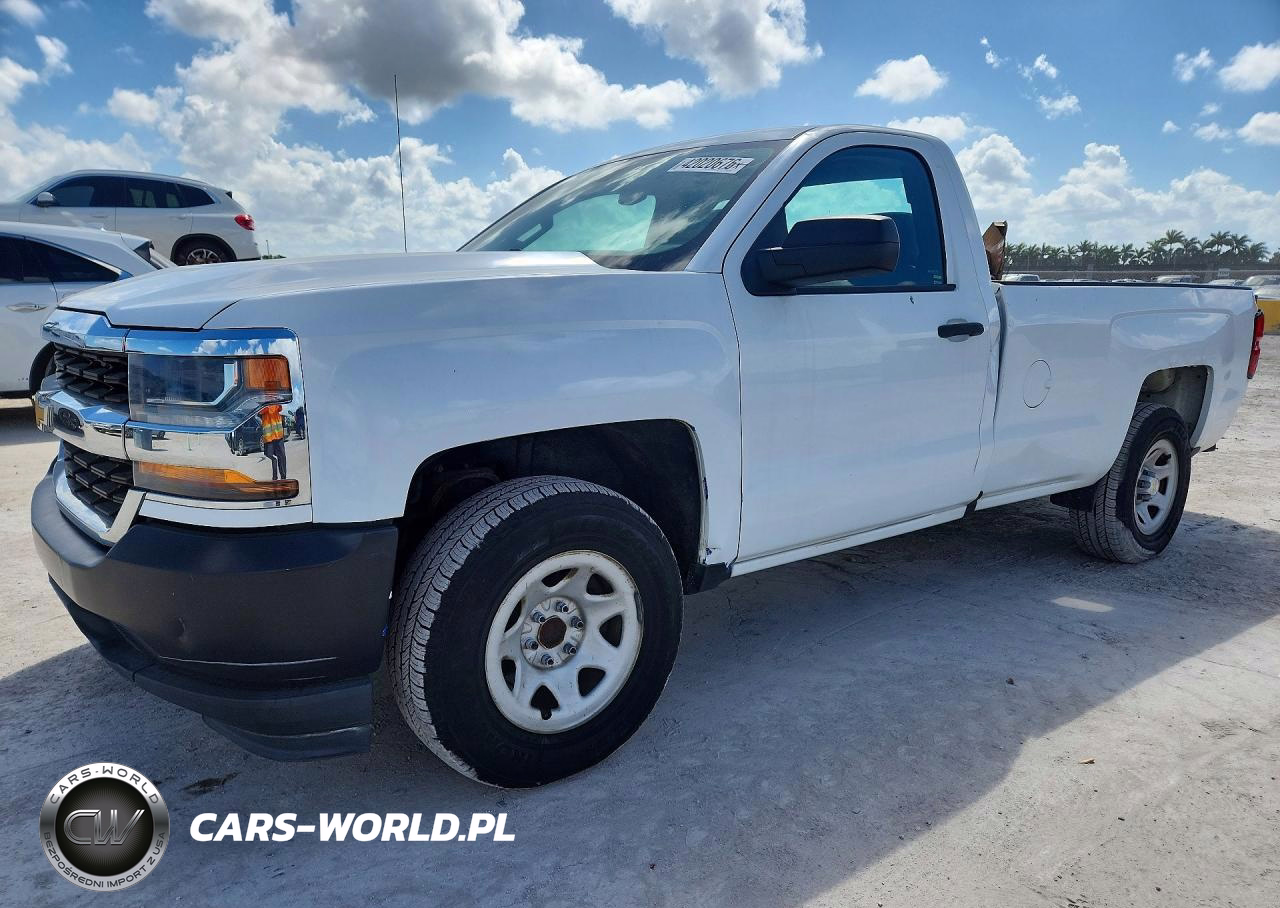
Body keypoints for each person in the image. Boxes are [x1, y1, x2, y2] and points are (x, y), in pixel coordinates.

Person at [261, 404, 287, 480]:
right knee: (270, 455)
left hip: (277, 436)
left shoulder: (275, 402)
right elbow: (260, 411)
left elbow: (280, 408)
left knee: (281, 457)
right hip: (270, 437)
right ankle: (276, 477)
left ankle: (282, 478)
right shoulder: (263, 403)